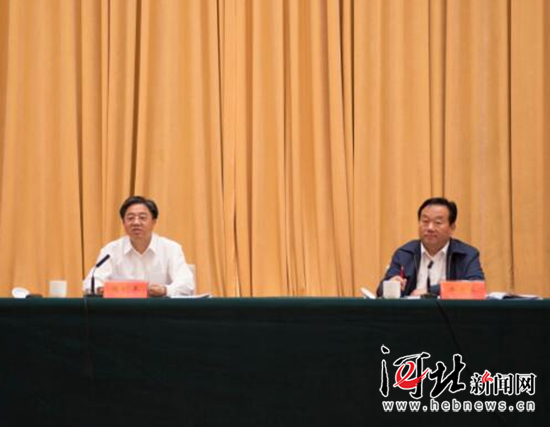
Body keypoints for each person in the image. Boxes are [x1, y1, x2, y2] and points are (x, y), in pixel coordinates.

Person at [83, 196, 195, 297]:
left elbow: (187, 284)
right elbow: (90, 283)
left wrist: (165, 290)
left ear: (153, 222)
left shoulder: (171, 249)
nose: (136, 222)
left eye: (142, 217)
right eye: (130, 218)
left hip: (160, 310)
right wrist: (99, 289)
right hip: (122, 310)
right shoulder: (111, 250)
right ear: (123, 223)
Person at [377, 197, 484, 297]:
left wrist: (430, 291)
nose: (430, 228)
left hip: (452, 311)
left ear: (452, 228)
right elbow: (381, 292)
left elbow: (476, 287)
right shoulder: (404, 254)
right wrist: (390, 285)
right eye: (425, 221)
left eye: (438, 222)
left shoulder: (467, 254)